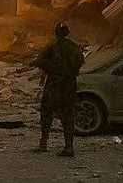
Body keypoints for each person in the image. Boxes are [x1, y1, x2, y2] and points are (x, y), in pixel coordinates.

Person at [32, 22, 84, 157]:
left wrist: (49, 68)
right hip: (69, 86)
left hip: (53, 85)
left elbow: (39, 61)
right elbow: (80, 61)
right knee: (68, 116)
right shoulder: (74, 47)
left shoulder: (52, 46)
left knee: (46, 113)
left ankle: (43, 144)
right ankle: (69, 147)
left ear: (56, 33)